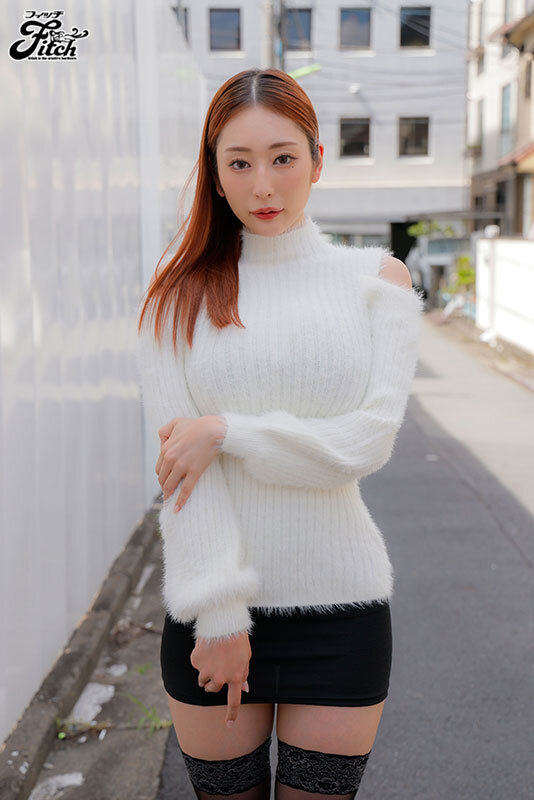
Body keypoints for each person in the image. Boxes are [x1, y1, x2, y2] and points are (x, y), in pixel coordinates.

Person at [135, 68, 424, 800]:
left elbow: (367, 443)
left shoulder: (379, 282)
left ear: (317, 161)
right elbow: (180, 478)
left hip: (342, 614)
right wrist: (220, 616)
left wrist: (226, 431)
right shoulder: (177, 293)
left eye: (283, 157)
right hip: (212, 618)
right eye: (239, 163)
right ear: (215, 173)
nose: (263, 184)